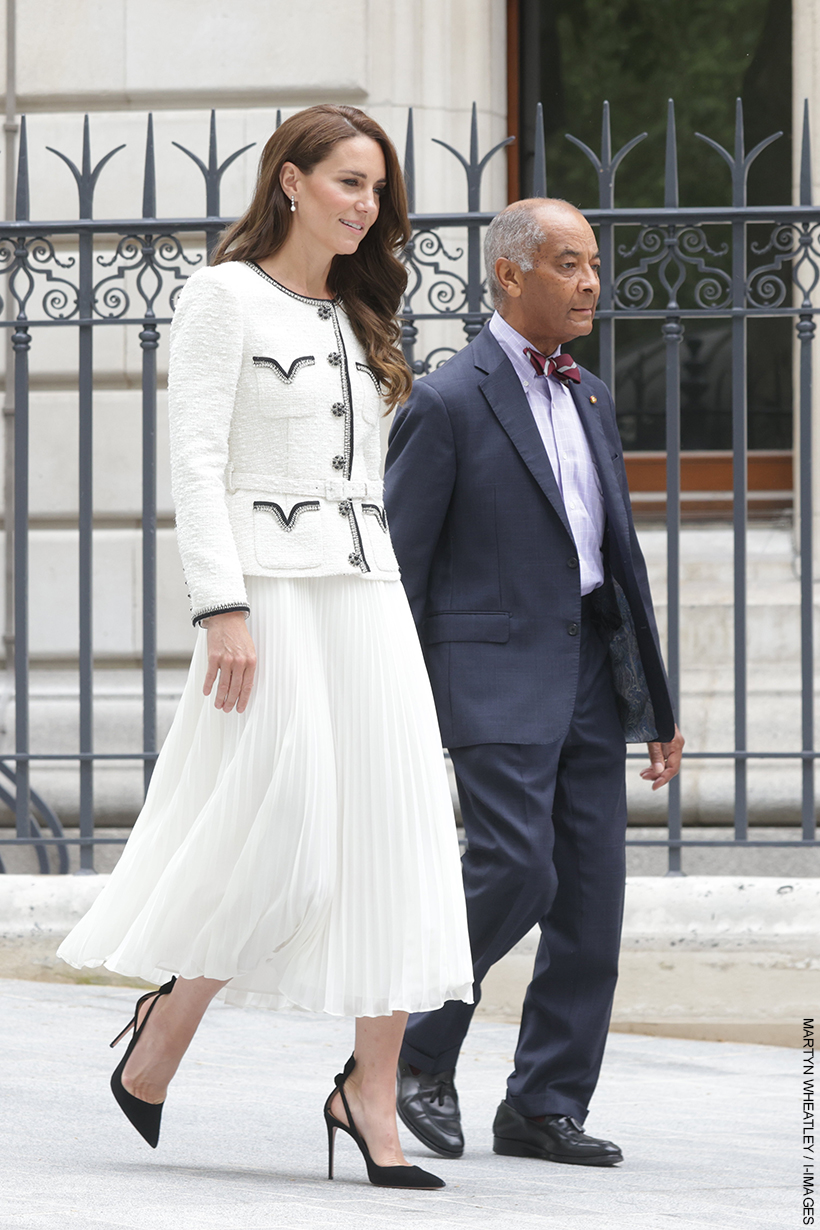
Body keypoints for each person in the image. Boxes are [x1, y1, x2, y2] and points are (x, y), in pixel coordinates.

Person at [57, 104, 473, 1191]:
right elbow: (193, 461)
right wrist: (219, 607)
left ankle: (368, 1095)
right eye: (346, 181)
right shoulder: (222, 296)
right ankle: (168, 1020)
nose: (364, 204)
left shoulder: (358, 316)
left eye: (376, 189)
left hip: (368, 599)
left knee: (397, 833)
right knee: (276, 827)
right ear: (287, 182)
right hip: (268, 598)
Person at [385, 198, 685, 1167]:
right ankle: (407, 1054)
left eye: (593, 263)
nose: (591, 282)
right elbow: (402, 564)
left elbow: (617, 559)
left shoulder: (589, 395)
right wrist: (401, 696)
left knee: (591, 900)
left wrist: (657, 705)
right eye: (568, 263)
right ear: (511, 275)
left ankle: (544, 1102)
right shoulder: (446, 400)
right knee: (517, 868)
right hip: (489, 675)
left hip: (592, 675)